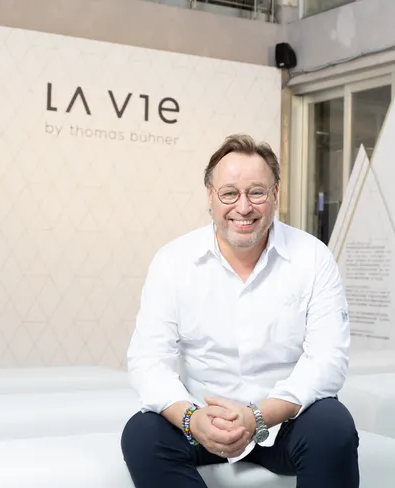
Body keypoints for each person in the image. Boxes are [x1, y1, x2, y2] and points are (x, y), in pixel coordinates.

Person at [120, 134, 359, 487]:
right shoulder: (172, 262)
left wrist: (257, 416)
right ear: (210, 196)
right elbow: (147, 360)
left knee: (333, 426)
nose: (243, 207)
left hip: (283, 423)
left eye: (256, 192)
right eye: (229, 193)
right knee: (142, 434)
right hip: (203, 424)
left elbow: (328, 361)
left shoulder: (313, 258)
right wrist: (192, 419)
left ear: (275, 194)